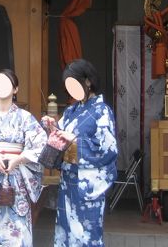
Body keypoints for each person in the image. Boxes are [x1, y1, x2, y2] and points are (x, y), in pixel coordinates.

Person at [42, 59, 118, 247]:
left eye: (74, 83)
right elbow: (59, 141)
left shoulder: (102, 111)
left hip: (87, 186)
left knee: (87, 237)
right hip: (68, 182)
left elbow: (108, 149)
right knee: (65, 234)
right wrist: (52, 129)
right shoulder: (70, 111)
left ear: (88, 81)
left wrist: (74, 140)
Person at [0, 69, 47, 247]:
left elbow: (41, 145)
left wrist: (19, 159)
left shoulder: (25, 118)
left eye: (7, 83)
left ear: (15, 89)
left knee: (17, 235)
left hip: (16, 181)